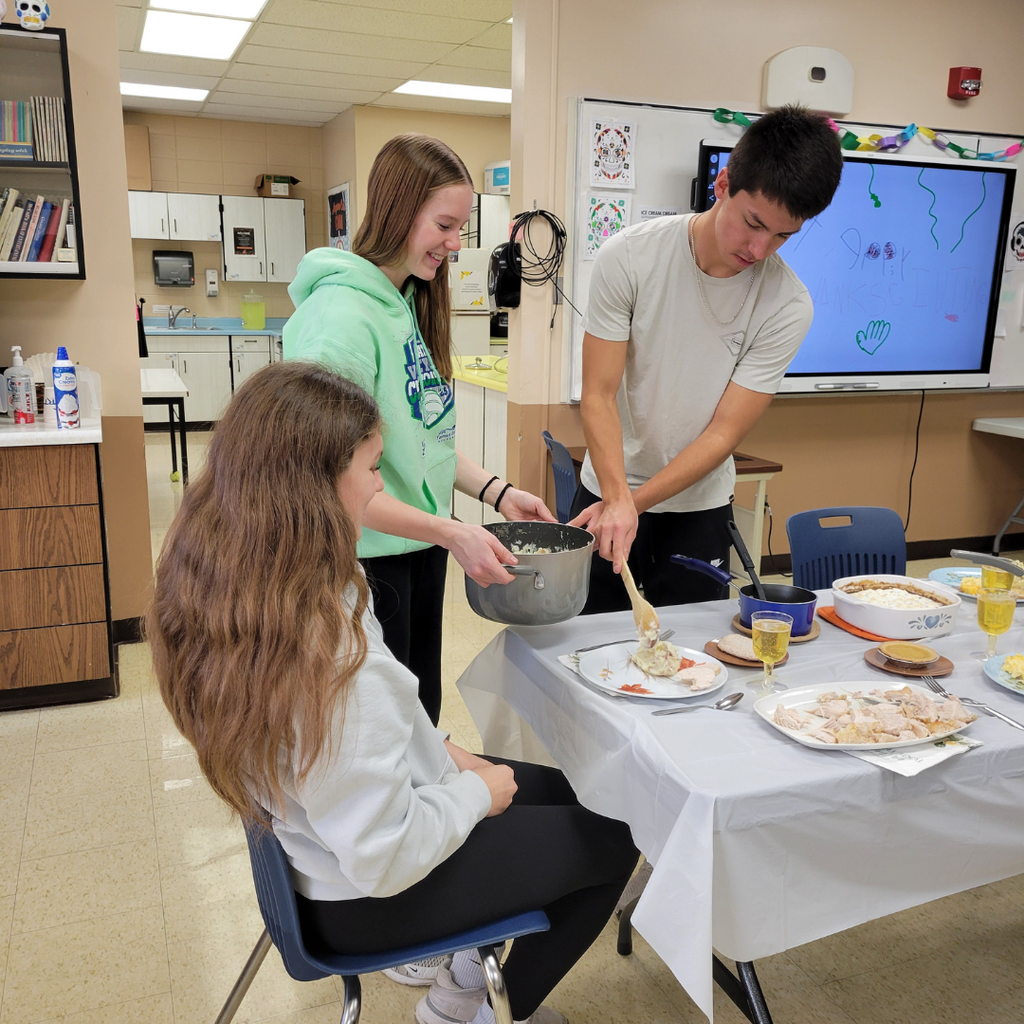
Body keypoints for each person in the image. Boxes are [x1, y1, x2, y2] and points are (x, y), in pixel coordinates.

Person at [148, 363, 639, 1024]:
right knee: (615, 839)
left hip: (315, 848)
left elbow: (350, 753)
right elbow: (382, 858)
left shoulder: (238, 577)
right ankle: (496, 1011)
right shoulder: (333, 662)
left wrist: (441, 755)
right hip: (362, 900)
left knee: (578, 797)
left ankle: (467, 981)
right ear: (319, 485)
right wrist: (474, 793)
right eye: (374, 469)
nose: (381, 488)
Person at [284, 134, 555, 725]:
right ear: (398, 212)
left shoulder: (400, 302)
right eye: (445, 225)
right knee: (379, 731)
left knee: (418, 715)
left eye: (462, 227)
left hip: (415, 549)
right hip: (367, 565)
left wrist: (499, 495)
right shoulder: (340, 321)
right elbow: (332, 485)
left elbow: (420, 441)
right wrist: (452, 533)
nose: (456, 245)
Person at [570, 105, 843, 613]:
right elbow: (599, 394)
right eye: (753, 223)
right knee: (585, 642)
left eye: (783, 235)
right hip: (605, 489)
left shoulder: (788, 304)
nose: (760, 248)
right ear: (722, 185)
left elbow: (723, 433)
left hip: (699, 506)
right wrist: (616, 498)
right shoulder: (629, 257)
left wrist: (634, 503)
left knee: (694, 653)